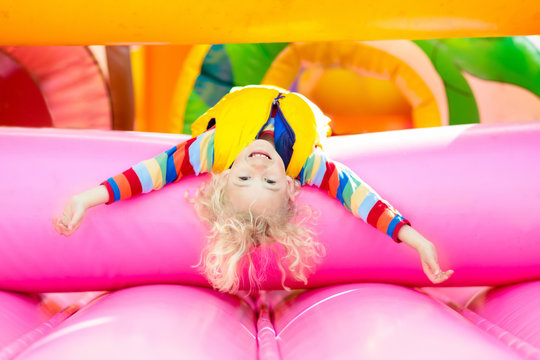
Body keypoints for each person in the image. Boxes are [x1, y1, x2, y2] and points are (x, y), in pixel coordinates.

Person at [53, 85, 453, 293]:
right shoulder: (306, 164)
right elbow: (358, 196)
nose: (258, 167)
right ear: (293, 186)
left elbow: (149, 173)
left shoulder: (210, 151)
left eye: (245, 178)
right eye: (270, 181)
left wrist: (88, 197)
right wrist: (415, 239)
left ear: (225, 177)